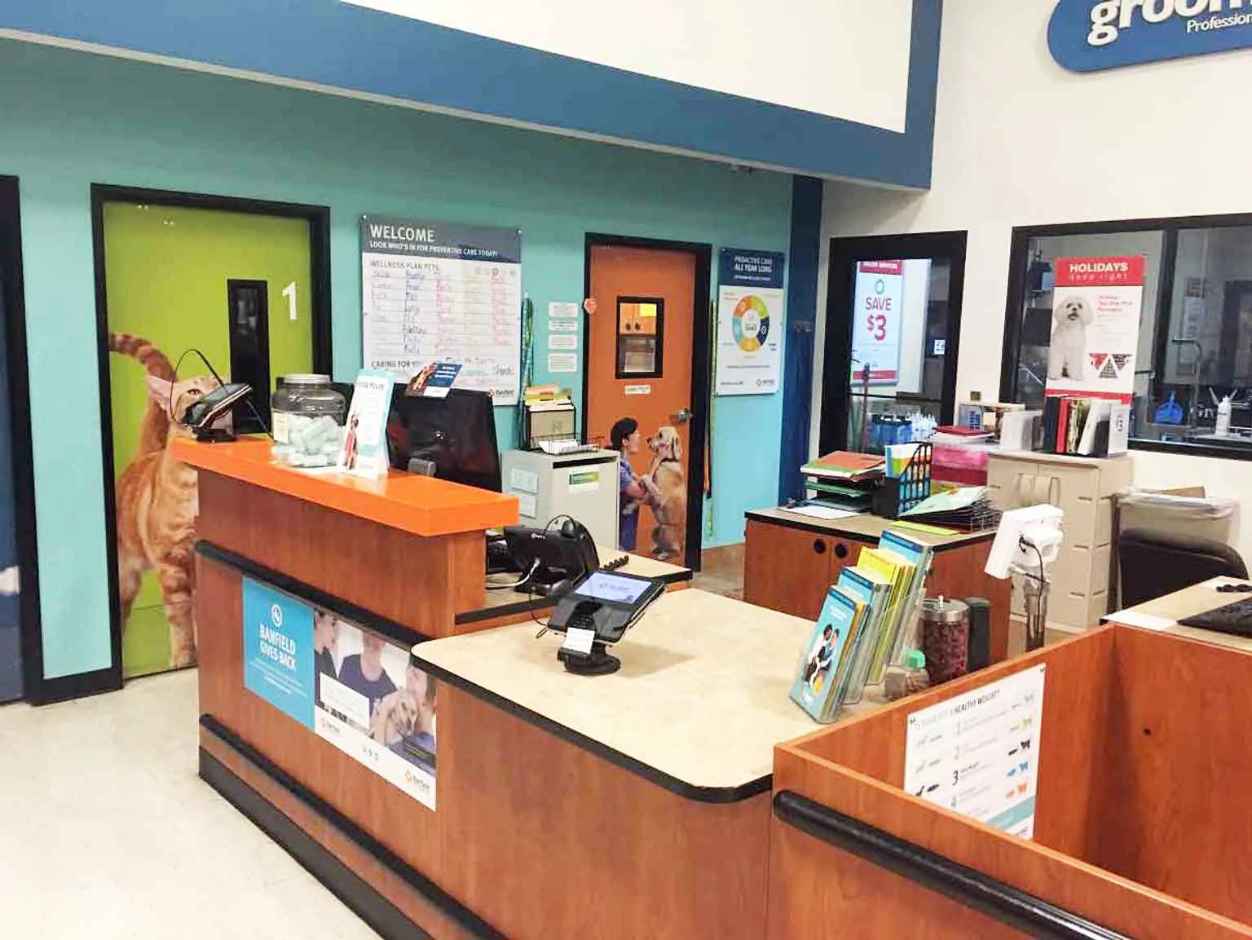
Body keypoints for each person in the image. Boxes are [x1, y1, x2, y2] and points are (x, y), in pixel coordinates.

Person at [611, 417, 654, 551]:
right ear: (625, 441)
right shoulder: (619, 469)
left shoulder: (625, 465)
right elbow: (641, 493)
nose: (639, 436)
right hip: (618, 535)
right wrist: (658, 460)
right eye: (635, 433)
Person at [337, 632, 397, 721]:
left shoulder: (390, 690)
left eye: (376, 635)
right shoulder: (349, 663)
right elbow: (337, 704)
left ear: (384, 641)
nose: (371, 639)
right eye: (368, 633)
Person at [313, 610, 338, 707]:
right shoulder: (306, 657)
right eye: (333, 624)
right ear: (317, 619)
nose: (335, 633)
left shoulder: (327, 655)